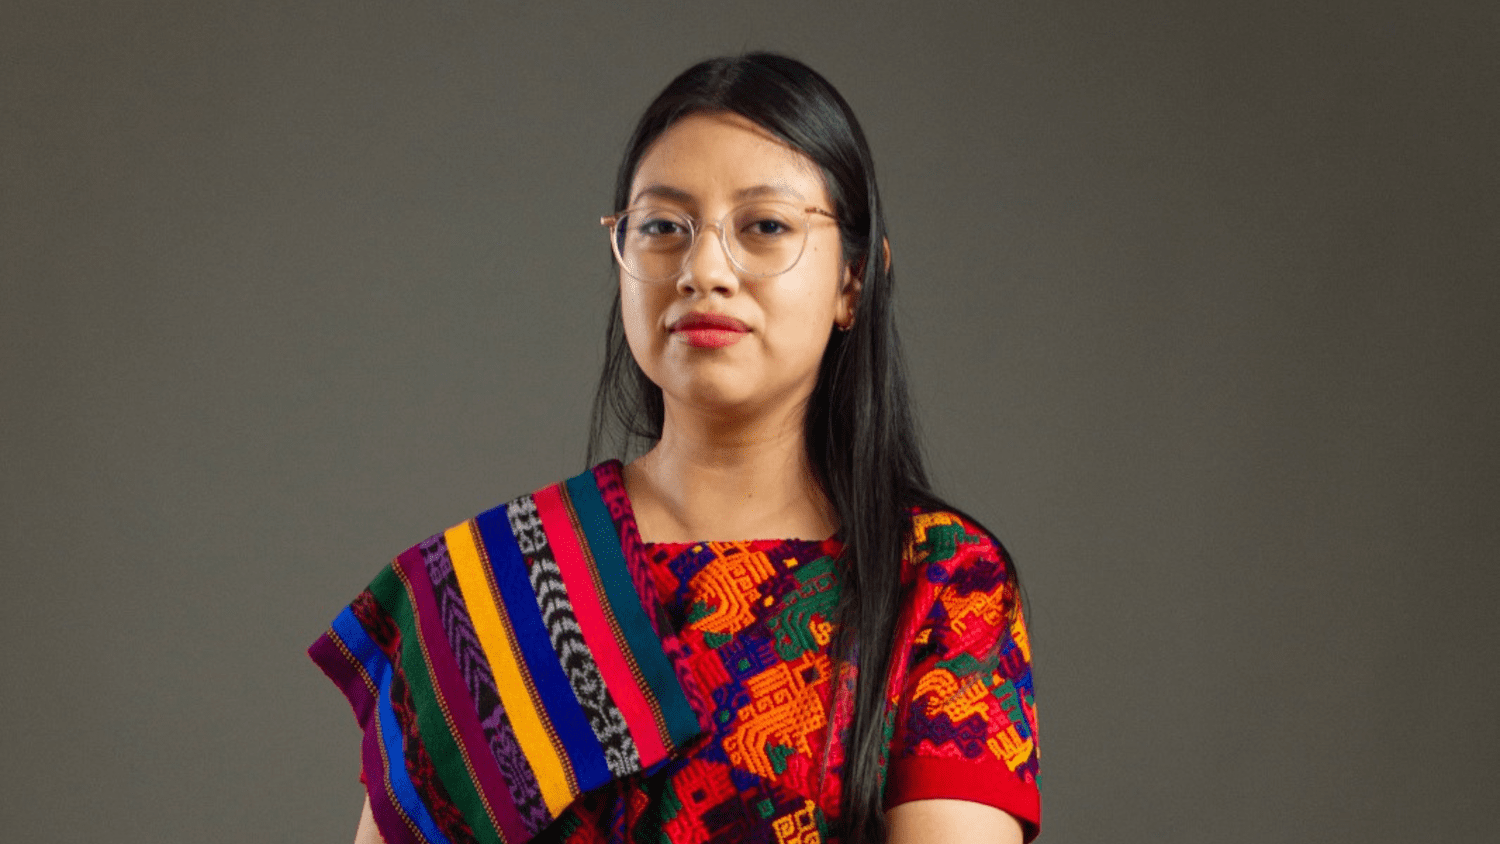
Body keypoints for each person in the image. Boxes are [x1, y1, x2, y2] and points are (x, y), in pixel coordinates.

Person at [313, 53, 1040, 844]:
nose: (703, 270)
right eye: (663, 227)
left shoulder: (937, 581)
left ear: (854, 281)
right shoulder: (486, 592)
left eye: (765, 227)